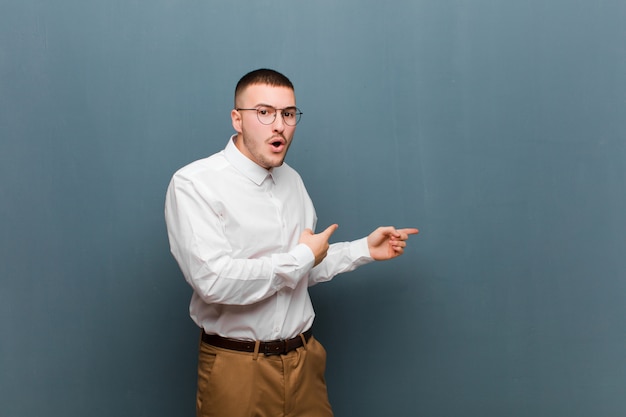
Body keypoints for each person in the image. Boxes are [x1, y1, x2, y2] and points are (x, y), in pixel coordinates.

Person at [164, 68, 418, 417]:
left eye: (288, 114)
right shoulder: (195, 184)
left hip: (304, 362)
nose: (279, 124)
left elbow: (301, 269)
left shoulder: (292, 180)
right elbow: (214, 281)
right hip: (239, 368)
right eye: (264, 112)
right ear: (237, 119)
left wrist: (363, 250)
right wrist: (301, 257)